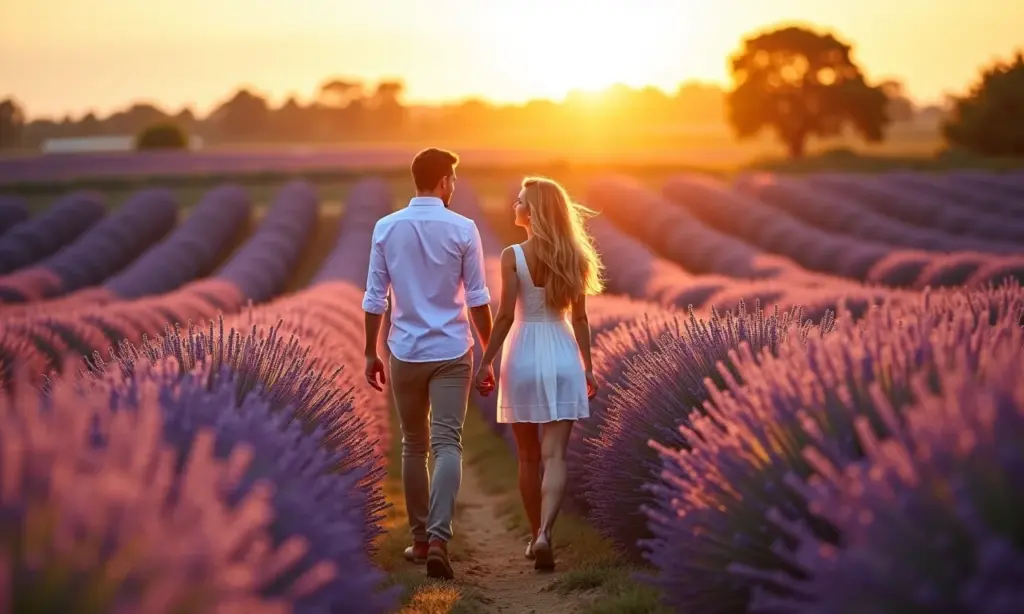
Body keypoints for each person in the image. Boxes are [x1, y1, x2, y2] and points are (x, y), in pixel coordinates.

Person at [362, 147, 493, 580]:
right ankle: (439, 538)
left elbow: (375, 297)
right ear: (443, 181)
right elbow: (477, 297)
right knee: (448, 443)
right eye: (452, 178)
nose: (453, 185)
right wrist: (488, 354)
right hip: (453, 351)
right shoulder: (463, 228)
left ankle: (419, 541)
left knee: (413, 445)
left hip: (405, 351)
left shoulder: (386, 227)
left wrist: (370, 351)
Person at [474, 176, 602, 571]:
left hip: (524, 354)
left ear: (534, 212)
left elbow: (507, 315)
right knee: (556, 455)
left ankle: (534, 537)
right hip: (563, 353)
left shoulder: (513, 255)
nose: (515, 206)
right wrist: (588, 366)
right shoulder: (576, 257)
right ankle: (547, 531)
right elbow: (579, 318)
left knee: (528, 457)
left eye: (520, 202)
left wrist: (486, 360)